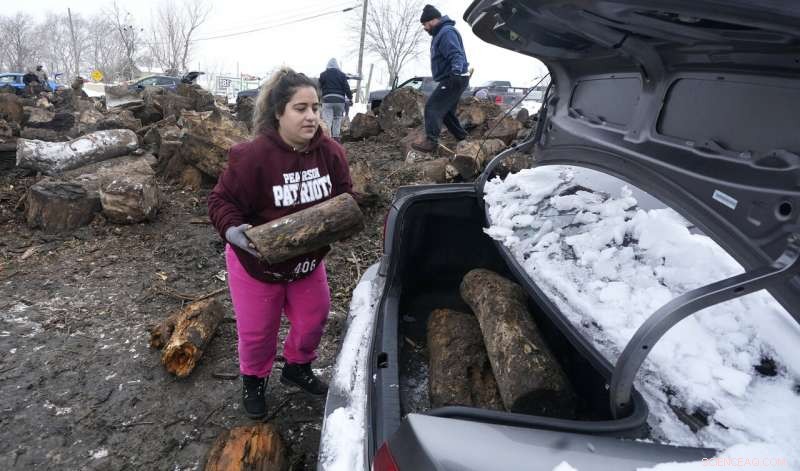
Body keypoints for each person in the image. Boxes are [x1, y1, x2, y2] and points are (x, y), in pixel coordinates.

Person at [207, 68, 354, 419]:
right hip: (256, 263)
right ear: (278, 113)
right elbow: (221, 201)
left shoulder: (330, 153)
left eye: (315, 107)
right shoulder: (253, 156)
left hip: (306, 262)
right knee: (258, 332)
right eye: (300, 108)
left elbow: (345, 196)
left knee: (314, 318)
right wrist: (233, 231)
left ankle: (297, 368)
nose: (311, 116)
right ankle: (254, 381)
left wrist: (348, 217)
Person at [412, 4, 470, 153]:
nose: (425, 28)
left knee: (432, 107)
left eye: (426, 24)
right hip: (455, 77)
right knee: (447, 112)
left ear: (434, 20)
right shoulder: (440, 33)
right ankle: (463, 138)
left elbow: (456, 54)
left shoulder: (446, 32)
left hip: (454, 77)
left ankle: (431, 141)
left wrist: (455, 72)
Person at [318, 58, 352, 141]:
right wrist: (350, 97)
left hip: (327, 100)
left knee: (327, 120)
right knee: (337, 118)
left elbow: (319, 87)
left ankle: (327, 139)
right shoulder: (342, 75)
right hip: (340, 100)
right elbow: (346, 87)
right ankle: (336, 139)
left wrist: (318, 98)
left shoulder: (323, 74)